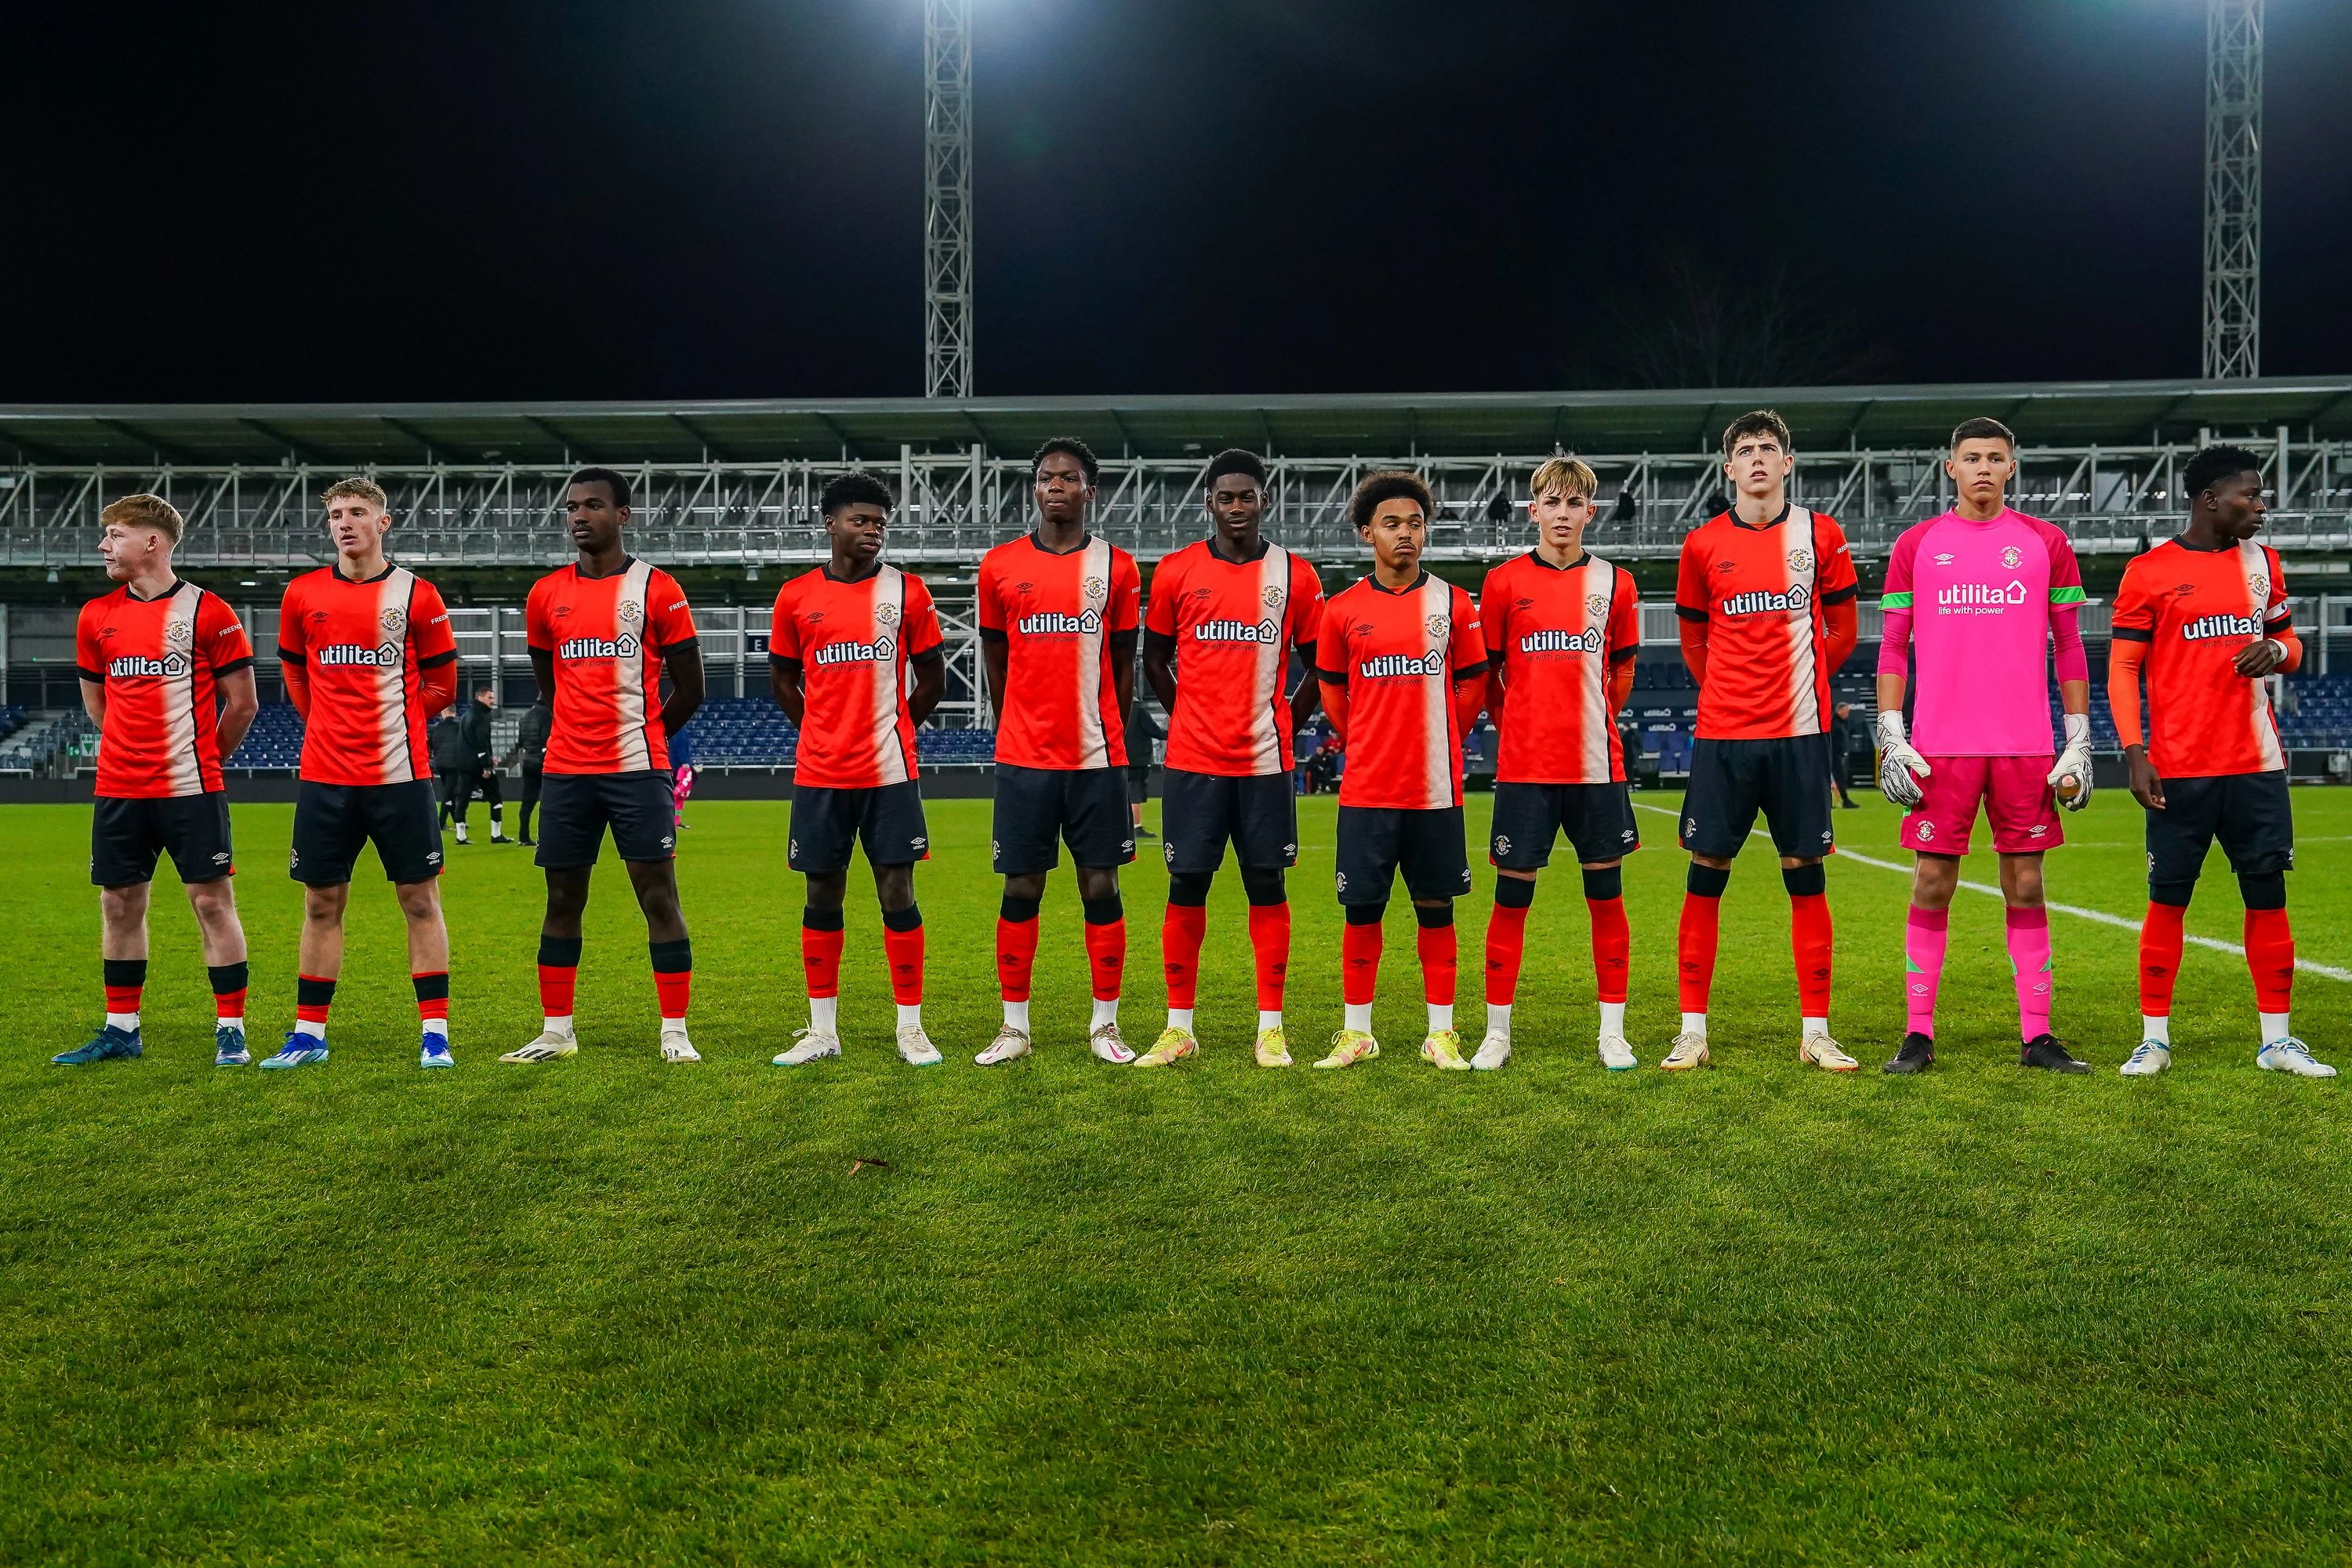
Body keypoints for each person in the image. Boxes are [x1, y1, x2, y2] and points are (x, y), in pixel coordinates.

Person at [1875, 417, 2094, 1074]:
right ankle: (1918, 1035)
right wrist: (1891, 728)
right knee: (1933, 882)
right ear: (1950, 468)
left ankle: (2038, 1037)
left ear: (2011, 467)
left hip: (2026, 744)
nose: (1982, 468)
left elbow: (2071, 644)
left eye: (1994, 458)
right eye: (1970, 458)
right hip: (1940, 745)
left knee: (2026, 883)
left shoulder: (2045, 541)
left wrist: (2079, 737)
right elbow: (1892, 644)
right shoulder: (1917, 544)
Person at [2110, 444, 2334, 1079]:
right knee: (2168, 899)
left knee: (2267, 895)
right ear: (2210, 500)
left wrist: (2277, 652)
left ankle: (2278, 1042)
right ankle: (2154, 1039)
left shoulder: (2264, 563)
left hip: (2256, 765)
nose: (2261, 506)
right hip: (2180, 766)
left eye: (2261, 496)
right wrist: (2134, 753)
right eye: (2251, 495)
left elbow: (2288, 640)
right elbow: (2124, 666)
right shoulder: (2149, 571)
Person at [1668, 410, 1860, 1071]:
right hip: (1723, 735)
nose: (1756, 458)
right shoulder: (1701, 545)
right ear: (1729, 470)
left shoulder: (1821, 534)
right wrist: (1728, 686)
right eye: (1744, 450)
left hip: (1800, 735)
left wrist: (1797, 680)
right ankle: (1692, 1029)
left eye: (1768, 448)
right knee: (1706, 875)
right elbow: (1694, 638)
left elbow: (1843, 631)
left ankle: (1816, 1031)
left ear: (1787, 463)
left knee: (1805, 876)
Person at [503, 467, 706, 1065]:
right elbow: (549, 684)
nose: (579, 516)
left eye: (593, 505)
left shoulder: (658, 589)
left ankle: (675, 1031)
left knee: (658, 896)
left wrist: (644, 736)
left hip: (637, 769)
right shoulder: (545, 595)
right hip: (566, 770)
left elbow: (690, 688)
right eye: (572, 507)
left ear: (623, 515)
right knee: (562, 899)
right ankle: (556, 1032)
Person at [54, 494, 259, 1068]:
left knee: (212, 904)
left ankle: (231, 1030)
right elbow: (98, 705)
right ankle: (122, 1029)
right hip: (119, 789)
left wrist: (200, 761)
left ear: (152, 541)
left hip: (191, 789)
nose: (103, 546)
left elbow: (242, 705)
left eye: (115, 534)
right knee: (119, 905)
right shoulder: (96, 615)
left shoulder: (210, 612)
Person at [1135, 448, 1324, 1068]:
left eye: (1247, 496)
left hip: (1265, 764)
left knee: (1264, 882)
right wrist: (1185, 710)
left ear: (1264, 500)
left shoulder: (1296, 575)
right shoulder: (1175, 571)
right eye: (1225, 497)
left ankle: (1270, 1028)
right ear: (1208, 503)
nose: (1236, 507)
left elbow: (1322, 665)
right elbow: (1154, 657)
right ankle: (1178, 1026)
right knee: (1187, 883)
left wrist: (1289, 718)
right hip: (1193, 761)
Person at [264, 477, 459, 1069]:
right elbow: (295, 676)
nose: (344, 524)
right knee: (322, 902)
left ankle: (435, 1035)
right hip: (326, 776)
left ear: (384, 522)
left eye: (356, 513)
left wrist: (388, 724)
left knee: (419, 899)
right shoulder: (302, 594)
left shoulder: (418, 596)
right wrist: (326, 722)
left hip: (399, 775)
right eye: (335, 515)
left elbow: (443, 686)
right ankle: (308, 1035)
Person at [768, 471, 949, 1067]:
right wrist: (820, 727)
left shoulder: (910, 592)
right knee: (822, 893)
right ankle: (823, 1031)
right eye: (860, 520)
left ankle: (911, 1027)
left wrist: (895, 728)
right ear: (831, 524)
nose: (872, 531)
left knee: (897, 891)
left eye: (880, 522)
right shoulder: (795, 596)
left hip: (889, 772)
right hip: (820, 773)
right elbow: (782, 679)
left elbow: (933, 679)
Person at [973, 437, 1142, 1065]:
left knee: (1100, 884)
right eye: (1046, 477)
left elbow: (1123, 660)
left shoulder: (1117, 567)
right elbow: (996, 653)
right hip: (1024, 756)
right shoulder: (999, 566)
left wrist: (1107, 728)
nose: (1056, 487)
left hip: (1097, 758)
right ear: (1035, 486)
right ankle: (1014, 1027)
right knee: (1022, 885)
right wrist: (1013, 716)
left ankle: (1105, 1025)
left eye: (1069, 479)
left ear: (1088, 490)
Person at [1312, 470, 1486, 1070]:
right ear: (1367, 533)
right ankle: (1356, 1031)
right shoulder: (1341, 611)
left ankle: (1442, 1032)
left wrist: (1442, 735)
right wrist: (1364, 737)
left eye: (1415, 523)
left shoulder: (1453, 603)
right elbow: (1333, 691)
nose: (1406, 534)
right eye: (1392, 524)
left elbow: (1474, 682)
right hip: (1367, 789)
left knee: (1436, 908)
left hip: (1434, 788)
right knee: (1363, 909)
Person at [1475, 456, 1642, 1073]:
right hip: (1525, 768)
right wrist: (1515, 721)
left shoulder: (1616, 584)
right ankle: (1497, 1033)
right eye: (1553, 502)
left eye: (1576, 504)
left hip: (1598, 768)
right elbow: (1489, 675)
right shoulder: (1502, 584)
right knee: (1511, 901)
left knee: (1606, 896)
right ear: (1534, 509)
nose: (1563, 514)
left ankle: (1613, 1033)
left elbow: (1621, 669)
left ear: (1589, 513)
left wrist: (1593, 716)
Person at [453, 685, 508, 844]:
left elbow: (467, 741)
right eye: (490, 698)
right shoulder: (481, 716)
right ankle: (496, 835)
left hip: (464, 764)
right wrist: (486, 765)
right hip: (478, 766)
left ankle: (461, 836)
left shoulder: (467, 715)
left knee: (462, 799)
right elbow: (480, 742)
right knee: (496, 797)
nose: (493, 701)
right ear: (481, 697)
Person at [506, 696, 550, 845]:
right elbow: (546, 739)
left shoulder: (525, 716)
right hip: (544, 763)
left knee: (527, 803)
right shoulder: (547, 715)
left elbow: (521, 742)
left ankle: (523, 837)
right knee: (548, 802)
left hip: (528, 762)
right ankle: (546, 838)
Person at [1125, 697, 1161, 840]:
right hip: (1137, 759)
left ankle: (1122, 825)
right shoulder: (1138, 710)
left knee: (1122, 792)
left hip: (1120, 757)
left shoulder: (1116, 707)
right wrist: (1169, 733)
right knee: (1135, 793)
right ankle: (1136, 826)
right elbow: (1152, 729)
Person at [431, 710, 469, 829]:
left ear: (443, 714)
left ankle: (458, 819)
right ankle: (441, 823)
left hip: (440, 763)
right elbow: (464, 744)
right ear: (455, 713)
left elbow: (433, 744)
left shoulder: (437, 728)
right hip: (453, 763)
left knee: (450, 791)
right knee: (448, 794)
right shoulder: (459, 727)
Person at [1828, 702, 1860, 808]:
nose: (1847, 714)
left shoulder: (1841, 723)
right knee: (1837, 778)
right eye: (1846, 711)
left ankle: (1843, 800)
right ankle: (1843, 801)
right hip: (1833, 756)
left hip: (1838, 755)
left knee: (1840, 778)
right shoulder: (1833, 723)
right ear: (1839, 711)